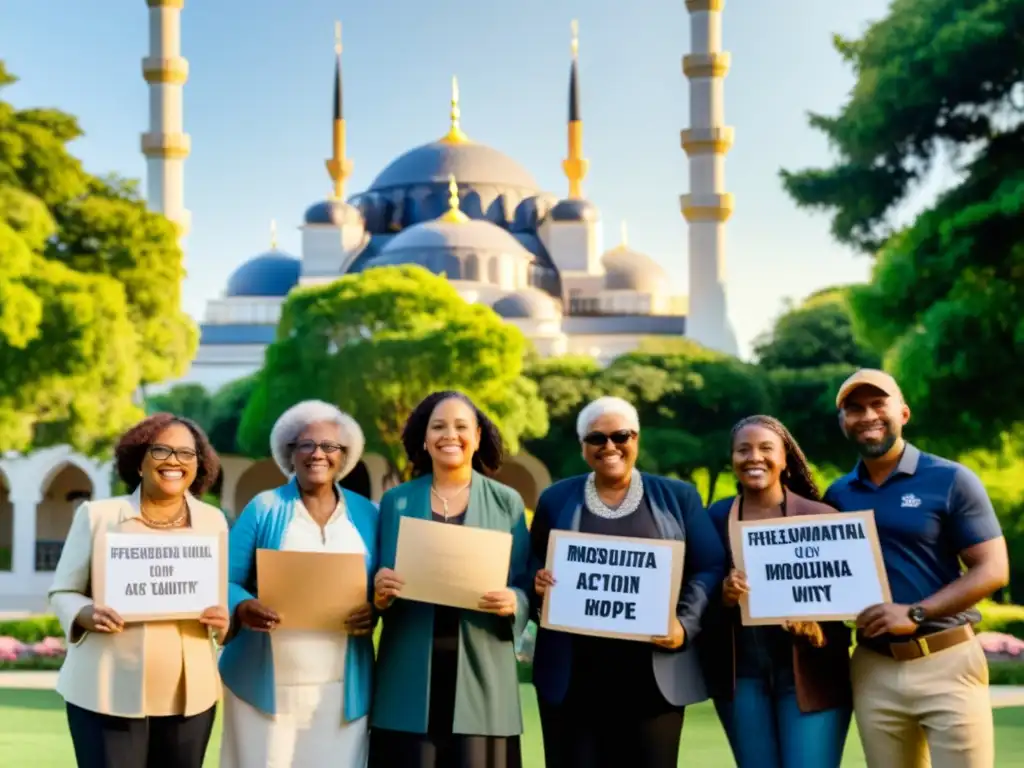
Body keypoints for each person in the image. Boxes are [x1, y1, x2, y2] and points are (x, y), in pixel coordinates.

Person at [530, 396, 727, 768]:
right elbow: (530, 564)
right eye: (596, 438)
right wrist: (537, 583)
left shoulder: (678, 498)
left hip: (652, 683)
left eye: (621, 435)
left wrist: (685, 624)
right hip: (573, 680)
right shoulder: (556, 499)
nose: (609, 446)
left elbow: (711, 565)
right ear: (582, 446)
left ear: (636, 439)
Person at [825, 369, 1009, 767]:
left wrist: (915, 612)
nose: (867, 415)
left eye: (879, 404)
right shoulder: (837, 494)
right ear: (843, 422)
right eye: (854, 408)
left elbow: (993, 569)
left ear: (903, 413)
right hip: (873, 667)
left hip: (947, 659)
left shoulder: (951, 479)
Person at [48, 414, 228, 768]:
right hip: (105, 691)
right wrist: (85, 613)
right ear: (140, 462)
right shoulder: (97, 516)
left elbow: (217, 602)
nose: (174, 461)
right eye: (161, 450)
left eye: (187, 453)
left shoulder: (212, 521)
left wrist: (223, 621)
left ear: (199, 464)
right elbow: (62, 591)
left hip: (190, 698)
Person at [369, 390, 531, 768]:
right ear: (424, 440)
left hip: (483, 677)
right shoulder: (397, 502)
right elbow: (373, 581)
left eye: (461, 427)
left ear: (477, 436)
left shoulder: (506, 502)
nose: (450, 435)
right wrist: (378, 593)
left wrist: (515, 601)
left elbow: (524, 583)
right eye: (438, 426)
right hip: (408, 675)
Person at [218, 400, 379, 768]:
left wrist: (374, 608)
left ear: (345, 455)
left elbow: (379, 588)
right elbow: (223, 580)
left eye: (329, 446)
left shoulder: (368, 514)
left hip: (340, 691)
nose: (317, 454)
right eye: (305, 444)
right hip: (265, 690)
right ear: (289, 453)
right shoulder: (264, 507)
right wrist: (242, 605)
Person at [703, 415, 852, 768]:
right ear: (733, 459)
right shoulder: (714, 518)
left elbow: (850, 597)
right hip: (743, 677)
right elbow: (693, 596)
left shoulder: (822, 517)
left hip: (812, 675)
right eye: (744, 450)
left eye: (766, 448)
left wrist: (814, 622)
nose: (755, 457)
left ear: (785, 458)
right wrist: (723, 596)